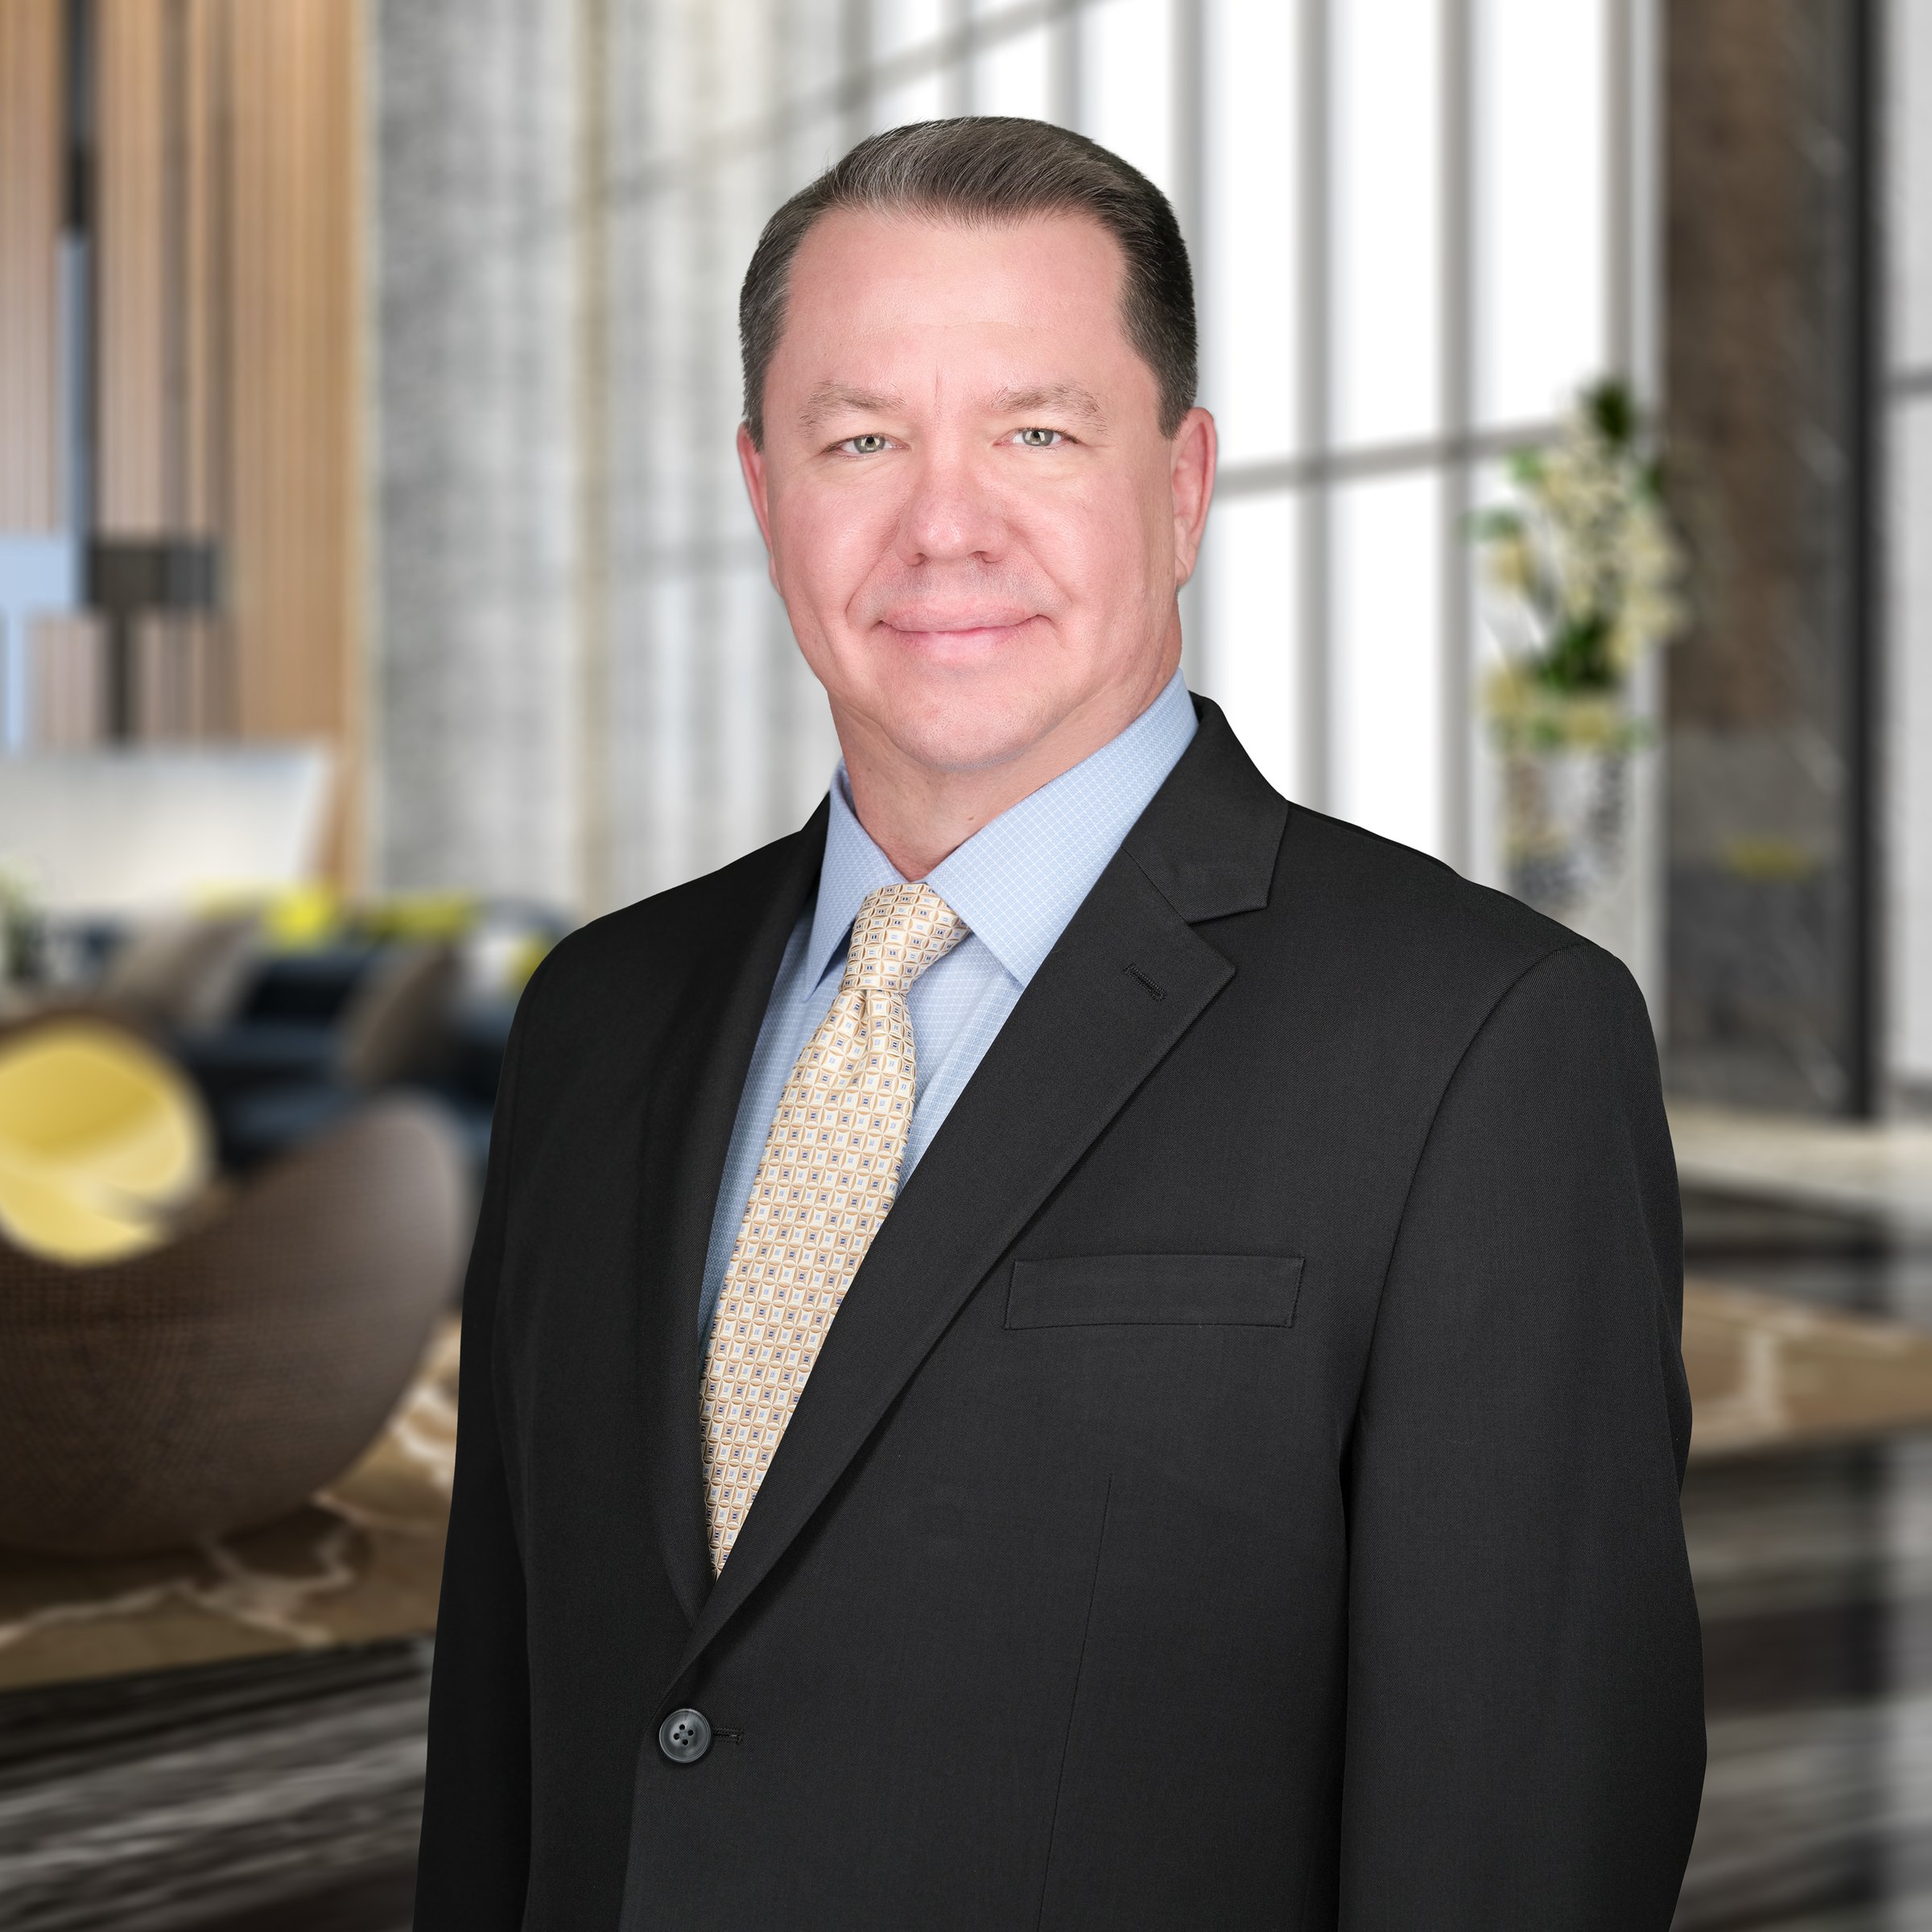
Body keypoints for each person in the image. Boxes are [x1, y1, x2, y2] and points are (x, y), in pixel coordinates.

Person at [414, 117, 1704, 1930]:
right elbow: (505, 1754)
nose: (946, 525)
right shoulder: (596, 1019)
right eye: (861, 439)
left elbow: (1517, 1847)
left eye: (1038, 432)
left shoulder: (1482, 1044)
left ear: (1179, 489)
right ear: (761, 488)